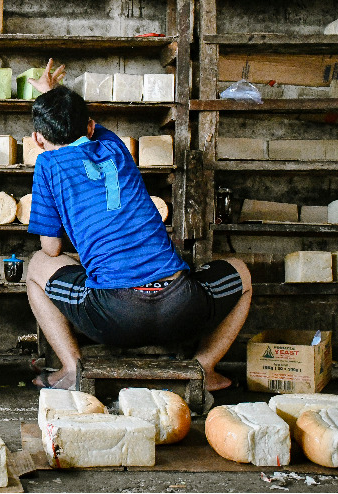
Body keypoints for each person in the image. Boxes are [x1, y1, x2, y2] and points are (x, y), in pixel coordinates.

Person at [25, 60, 252, 392]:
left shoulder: (47, 163)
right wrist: (55, 95)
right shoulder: (114, 147)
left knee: (36, 267)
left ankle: (73, 370)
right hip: (180, 306)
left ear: (37, 139)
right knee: (242, 274)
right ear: (89, 127)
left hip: (115, 315)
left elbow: (52, 248)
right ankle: (204, 369)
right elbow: (80, 126)